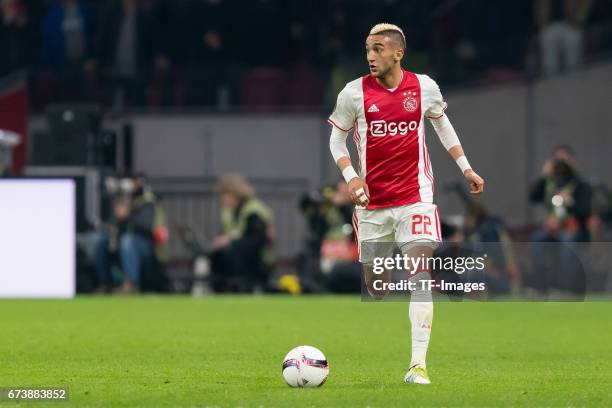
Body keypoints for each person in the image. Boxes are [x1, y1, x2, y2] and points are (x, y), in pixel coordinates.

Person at [328, 23, 484, 384]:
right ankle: (381, 268)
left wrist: (467, 168)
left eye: (379, 48)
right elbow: (337, 142)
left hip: (416, 198)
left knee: (420, 276)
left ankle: (418, 366)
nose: (370, 55)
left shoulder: (424, 87)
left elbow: (442, 125)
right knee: (377, 286)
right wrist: (352, 177)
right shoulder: (353, 94)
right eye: (367, 48)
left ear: (398, 53)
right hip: (373, 205)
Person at [95, 175, 168, 293]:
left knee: (127, 241)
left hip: (148, 247)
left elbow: (146, 226)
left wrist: (129, 215)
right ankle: (105, 283)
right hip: (123, 245)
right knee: (102, 242)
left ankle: (131, 283)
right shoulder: (123, 200)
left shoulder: (148, 202)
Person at [211, 174, 274, 292]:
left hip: (257, 259)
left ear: (236, 194)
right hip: (237, 255)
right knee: (217, 255)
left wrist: (230, 241)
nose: (224, 201)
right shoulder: (229, 211)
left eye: (226, 196)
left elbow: (257, 239)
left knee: (226, 254)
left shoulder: (254, 211)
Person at [535, 0, 592, 76]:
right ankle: (551, 83)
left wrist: (578, 20)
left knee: (573, 59)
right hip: (549, 25)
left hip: (571, 24)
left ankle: (574, 81)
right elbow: (539, 5)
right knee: (549, 63)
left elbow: (585, 4)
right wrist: (542, 22)